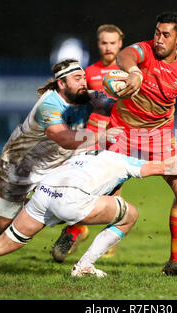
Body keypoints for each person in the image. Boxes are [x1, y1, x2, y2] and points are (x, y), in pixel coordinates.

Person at [0, 150, 177, 277]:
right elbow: (168, 166)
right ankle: (84, 266)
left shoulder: (83, 153)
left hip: (44, 194)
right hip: (72, 199)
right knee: (131, 215)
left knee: (4, 242)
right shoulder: (124, 160)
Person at [0, 59, 122, 253]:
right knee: (1, 224)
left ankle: (74, 229)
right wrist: (99, 136)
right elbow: (64, 138)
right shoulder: (48, 106)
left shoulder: (85, 96)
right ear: (62, 84)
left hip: (55, 168)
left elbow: (116, 108)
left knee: (76, 198)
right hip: (17, 167)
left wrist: (127, 92)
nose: (83, 83)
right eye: (77, 78)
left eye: (83, 78)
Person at [104, 11, 177, 279]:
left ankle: (176, 262)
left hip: (159, 135)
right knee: (105, 190)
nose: (159, 39)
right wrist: (133, 72)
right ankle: (73, 229)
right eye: (157, 32)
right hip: (123, 131)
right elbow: (125, 56)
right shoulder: (143, 52)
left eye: (166, 35)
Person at [54, 25, 125, 260]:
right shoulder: (90, 72)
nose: (108, 47)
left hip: (119, 136)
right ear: (98, 44)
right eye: (104, 42)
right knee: (80, 185)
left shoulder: (128, 71)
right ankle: (77, 229)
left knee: (113, 190)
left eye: (112, 42)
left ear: (120, 44)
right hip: (92, 135)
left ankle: (105, 239)